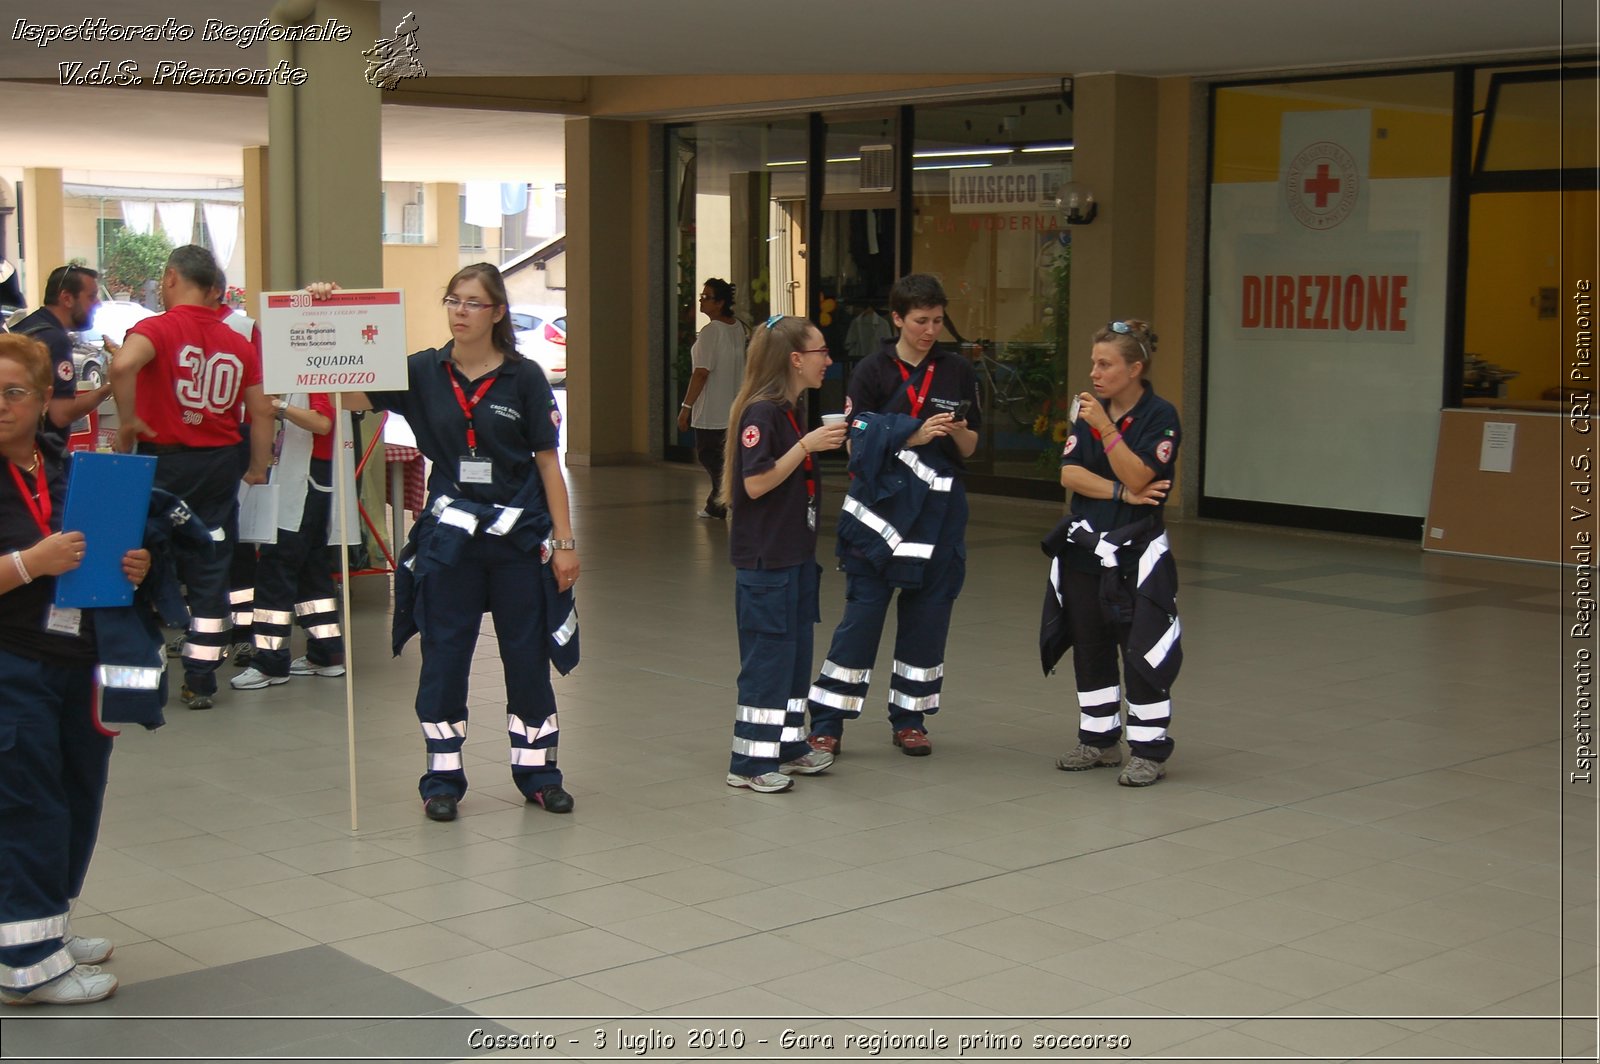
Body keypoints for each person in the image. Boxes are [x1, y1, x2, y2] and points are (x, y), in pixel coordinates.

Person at [319, 263, 580, 822]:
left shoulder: (525, 378)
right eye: (453, 301)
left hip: (516, 538)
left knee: (527, 658)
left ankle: (538, 774)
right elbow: (347, 399)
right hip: (451, 540)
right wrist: (330, 313)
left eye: (473, 303)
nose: (460, 312)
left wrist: (564, 542)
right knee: (444, 656)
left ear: (498, 313)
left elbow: (547, 463)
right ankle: (441, 777)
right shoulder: (421, 371)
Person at [0, 334, 151, 1005]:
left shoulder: (64, 462)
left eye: (14, 392)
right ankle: (28, 967)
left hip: (75, 658)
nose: (1, 405)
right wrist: (33, 562)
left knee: (75, 795)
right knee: (29, 807)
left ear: (42, 400)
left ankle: (45, 925)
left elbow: (98, 549)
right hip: (11, 662)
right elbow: (47, 557)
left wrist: (132, 566)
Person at [805, 274, 980, 758]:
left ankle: (910, 718)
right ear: (897, 319)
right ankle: (828, 721)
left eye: (938, 321)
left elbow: (972, 444)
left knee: (928, 617)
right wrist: (912, 434)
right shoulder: (872, 370)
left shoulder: (956, 369)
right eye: (921, 321)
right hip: (880, 510)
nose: (930, 330)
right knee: (862, 615)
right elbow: (855, 431)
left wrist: (955, 432)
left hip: (939, 513)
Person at [109, 245, 275, 710]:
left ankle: (139, 676)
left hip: (163, 464)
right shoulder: (239, 343)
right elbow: (261, 410)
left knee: (141, 561)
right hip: (220, 464)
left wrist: (127, 422)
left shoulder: (156, 328)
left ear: (169, 278)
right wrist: (257, 466)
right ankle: (201, 680)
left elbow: (122, 365)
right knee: (210, 567)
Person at [1051, 319, 1181, 787]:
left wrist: (1106, 429)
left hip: (1137, 554)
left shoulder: (1160, 415)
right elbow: (1069, 475)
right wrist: (1120, 493)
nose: (1095, 373)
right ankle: (1099, 739)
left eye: (1106, 364)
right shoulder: (1085, 409)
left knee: (1141, 650)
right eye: (1094, 363)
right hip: (1085, 549)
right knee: (1090, 646)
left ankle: (1149, 749)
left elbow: (1143, 474)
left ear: (1135, 368)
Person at [721, 315, 847, 791]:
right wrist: (806, 445)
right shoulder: (763, 413)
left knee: (794, 655)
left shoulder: (788, 410)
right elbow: (755, 483)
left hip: (793, 557)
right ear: (796, 360)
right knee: (767, 661)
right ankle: (749, 762)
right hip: (766, 563)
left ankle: (789, 745)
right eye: (821, 353)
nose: (828, 362)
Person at [229, 391, 351, 691]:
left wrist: (279, 407)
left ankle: (270, 662)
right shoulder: (313, 373)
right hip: (314, 477)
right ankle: (326, 652)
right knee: (313, 570)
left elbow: (322, 422)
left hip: (305, 478)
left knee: (276, 567)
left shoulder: (312, 375)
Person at [9, 264, 113, 443]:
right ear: (67, 298)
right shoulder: (55, 340)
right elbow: (61, 414)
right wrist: (111, 386)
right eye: (91, 296)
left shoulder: (25, 329)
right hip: (38, 455)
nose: (98, 303)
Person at [677, 279, 747, 520]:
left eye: (707, 297)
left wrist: (686, 407)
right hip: (732, 405)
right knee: (723, 456)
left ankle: (730, 497)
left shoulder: (711, 332)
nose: (701, 300)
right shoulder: (737, 327)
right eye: (702, 295)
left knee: (709, 454)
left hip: (712, 408)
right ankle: (716, 504)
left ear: (720, 303)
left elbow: (701, 372)